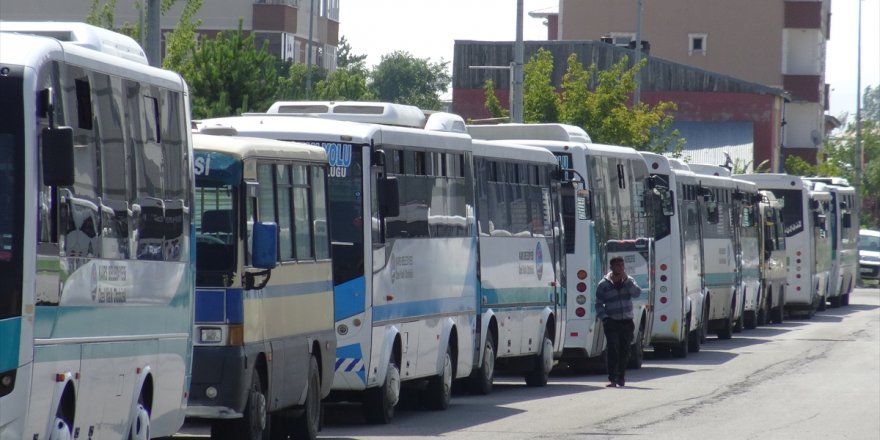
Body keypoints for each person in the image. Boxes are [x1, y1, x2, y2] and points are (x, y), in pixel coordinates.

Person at [595, 255, 642, 388]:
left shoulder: (629, 281)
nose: (620, 268)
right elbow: (598, 304)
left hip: (627, 321)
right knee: (613, 348)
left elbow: (637, 293)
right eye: (617, 266)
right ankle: (612, 378)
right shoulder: (603, 284)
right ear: (611, 267)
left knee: (625, 350)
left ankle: (621, 376)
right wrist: (605, 318)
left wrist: (626, 280)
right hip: (612, 322)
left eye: (622, 266)